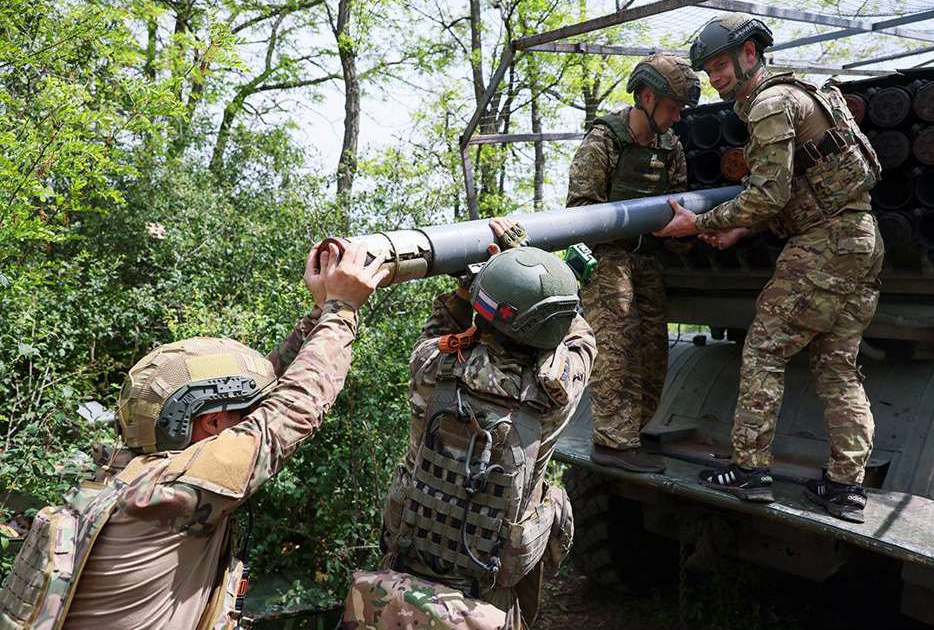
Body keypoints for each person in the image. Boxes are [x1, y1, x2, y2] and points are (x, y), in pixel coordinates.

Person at [0, 241, 388, 629]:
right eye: (245, 412)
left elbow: (269, 389)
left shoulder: (133, 477)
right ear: (213, 424)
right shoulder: (171, 493)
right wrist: (343, 310)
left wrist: (319, 312)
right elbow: (294, 410)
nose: (254, 416)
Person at [653, 13, 884, 523]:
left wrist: (698, 223)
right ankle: (846, 488)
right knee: (837, 367)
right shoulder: (806, 91)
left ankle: (750, 470)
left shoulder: (769, 103)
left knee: (763, 350)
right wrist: (739, 229)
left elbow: (768, 193)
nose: (714, 78)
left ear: (750, 54)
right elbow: (793, 191)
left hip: (823, 244)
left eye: (719, 65)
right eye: (708, 70)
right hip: (861, 239)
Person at [343, 219, 597, 630]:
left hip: (409, 561)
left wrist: (475, 286)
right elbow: (580, 337)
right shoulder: (555, 395)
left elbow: (442, 329)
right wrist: (545, 276)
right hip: (488, 587)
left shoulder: (430, 365)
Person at [566, 53, 700, 474]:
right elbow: (581, 210)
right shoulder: (604, 139)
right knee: (617, 349)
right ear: (645, 96)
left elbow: (679, 200)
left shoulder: (670, 146)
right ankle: (614, 443)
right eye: (672, 107)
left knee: (654, 353)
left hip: (647, 259)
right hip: (607, 258)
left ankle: (631, 435)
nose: (677, 117)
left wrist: (688, 232)